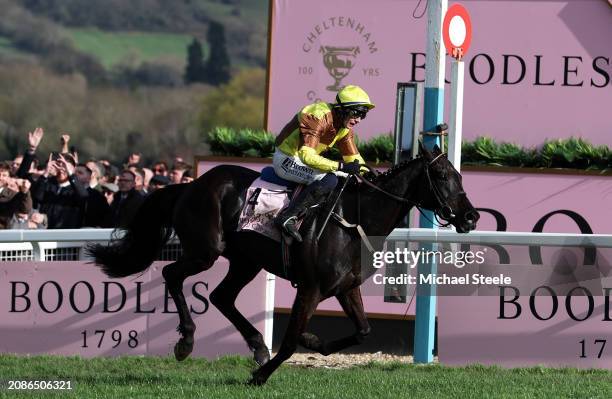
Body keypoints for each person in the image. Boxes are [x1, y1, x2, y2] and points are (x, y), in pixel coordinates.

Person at [273, 84, 374, 242]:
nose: (359, 119)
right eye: (357, 113)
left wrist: (373, 177)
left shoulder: (343, 128)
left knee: (347, 179)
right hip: (287, 158)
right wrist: (341, 166)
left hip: (303, 161)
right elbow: (306, 156)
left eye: (363, 115)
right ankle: (288, 217)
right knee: (330, 179)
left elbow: (355, 160)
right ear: (342, 109)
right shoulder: (317, 115)